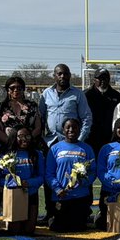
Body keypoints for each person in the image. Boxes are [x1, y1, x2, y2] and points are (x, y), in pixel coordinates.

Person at [40, 64, 93, 221]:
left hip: (72, 143)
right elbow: (41, 116)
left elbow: (86, 117)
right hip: (51, 143)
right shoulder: (46, 93)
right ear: (54, 76)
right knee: (50, 177)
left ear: (70, 75)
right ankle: (51, 211)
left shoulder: (77, 94)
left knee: (79, 173)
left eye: (65, 74)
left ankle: (83, 210)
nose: (62, 77)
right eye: (59, 74)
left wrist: (79, 140)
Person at [43, 118, 96, 232]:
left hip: (80, 195)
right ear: (63, 130)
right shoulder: (55, 148)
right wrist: (57, 189)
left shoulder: (87, 148)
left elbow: (92, 171)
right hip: (61, 195)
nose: (71, 130)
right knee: (59, 228)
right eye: (68, 127)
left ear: (79, 129)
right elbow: (49, 173)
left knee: (79, 228)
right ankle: (53, 217)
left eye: (75, 127)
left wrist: (83, 181)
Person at [0, 126, 43, 235]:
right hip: (13, 195)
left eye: (27, 136)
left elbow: (42, 176)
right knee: (15, 230)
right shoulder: (5, 155)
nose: (25, 139)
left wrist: (28, 183)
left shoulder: (37, 154)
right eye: (21, 136)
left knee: (29, 230)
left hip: (31, 194)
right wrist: (13, 184)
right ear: (14, 137)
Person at [0, 75, 43, 153]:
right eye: (12, 88)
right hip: (8, 148)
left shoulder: (32, 106)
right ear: (7, 90)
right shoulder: (1, 107)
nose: (16, 90)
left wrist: (26, 141)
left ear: (23, 89)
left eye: (19, 88)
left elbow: (38, 127)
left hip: (30, 147)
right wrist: (11, 143)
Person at [85, 69, 120, 151]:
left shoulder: (117, 96)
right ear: (94, 79)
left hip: (110, 138)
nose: (103, 81)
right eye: (100, 78)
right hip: (90, 138)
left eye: (105, 78)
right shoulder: (86, 95)